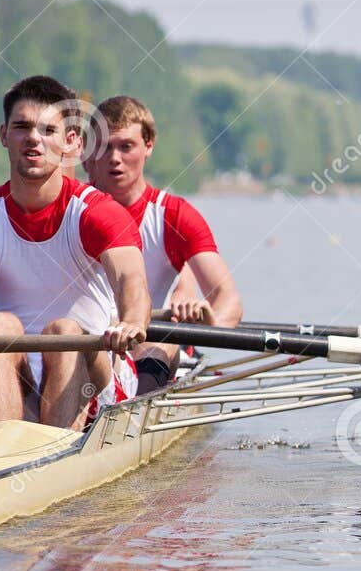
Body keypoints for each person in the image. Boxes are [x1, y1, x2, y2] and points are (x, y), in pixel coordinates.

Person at [0, 75, 150, 429]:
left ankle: (50, 446)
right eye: (22, 127)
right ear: (4, 135)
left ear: (70, 141)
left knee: (62, 330)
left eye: (48, 130)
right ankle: (6, 446)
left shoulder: (98, 213)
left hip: (94, 374)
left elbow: (130, 279)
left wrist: (132, 322)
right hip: (13, 374)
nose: (34, 138)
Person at [81, 95, 244, 392]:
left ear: (149, 145)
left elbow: (229, 300)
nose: (115, 158)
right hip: (85, 344)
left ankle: (134, 406)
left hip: (149, 345)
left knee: (164, 338)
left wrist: (210, 322)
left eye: (126, 146)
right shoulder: (72, 209)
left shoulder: (174, 215)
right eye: (105, 147)